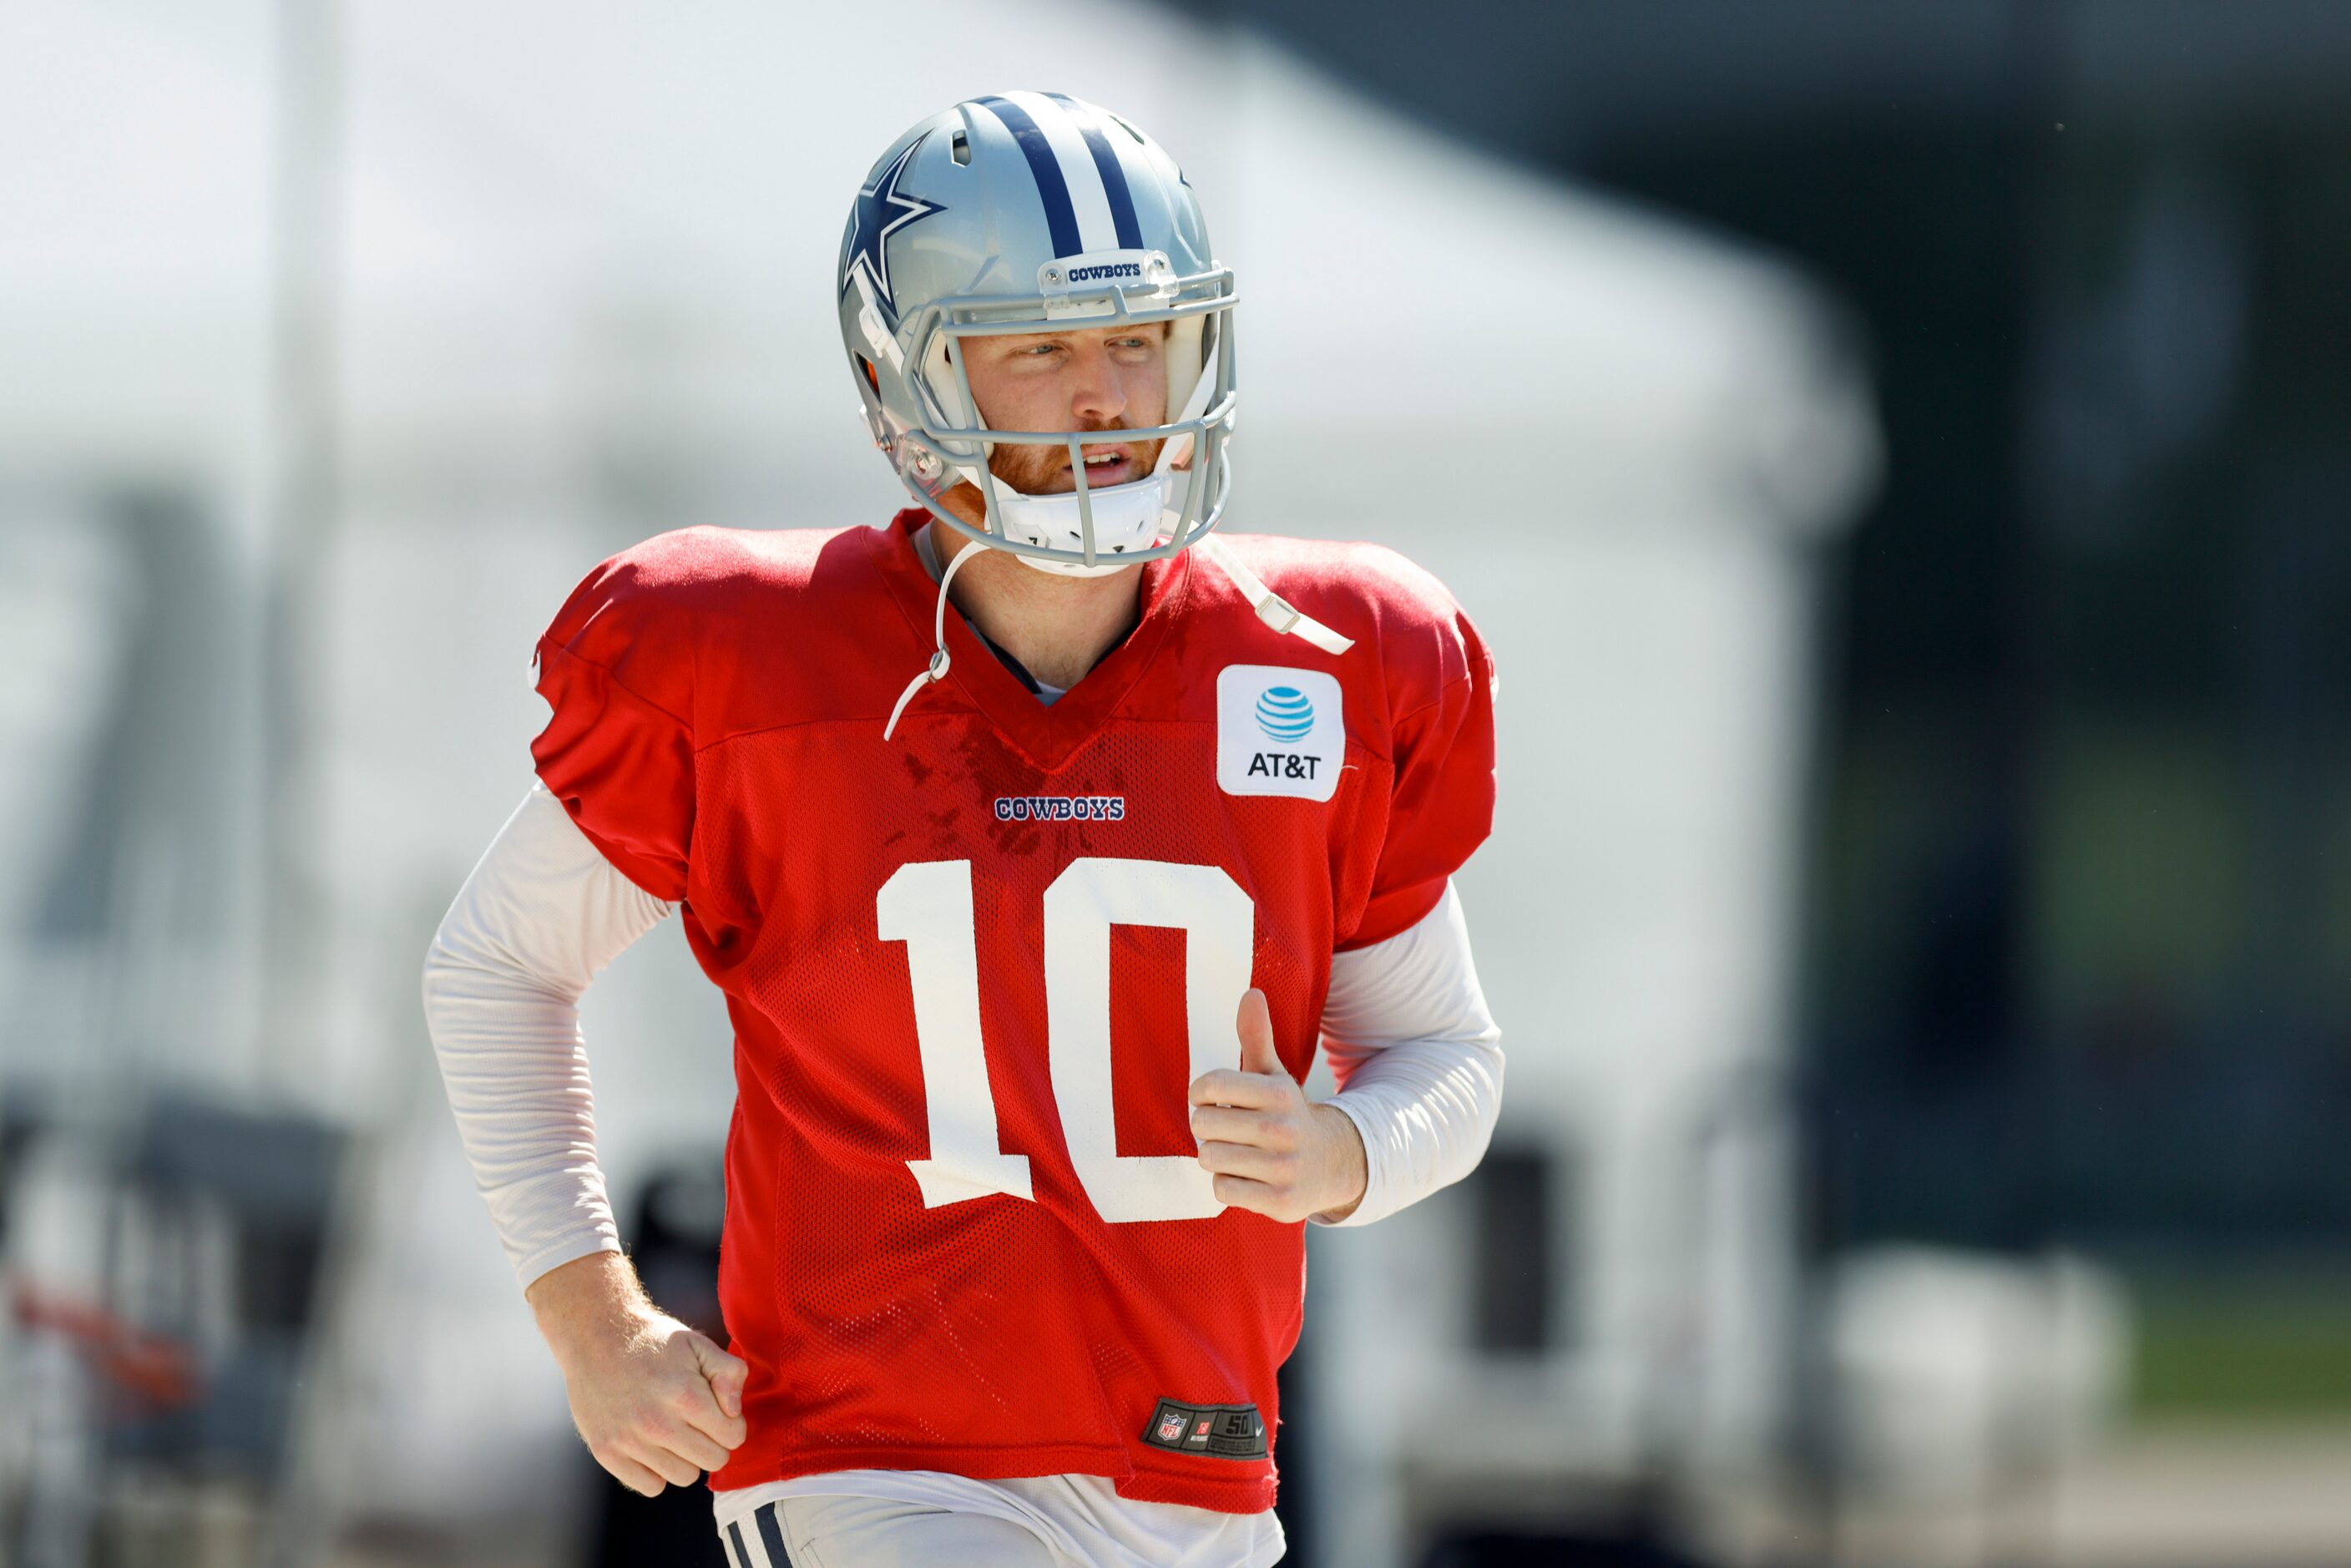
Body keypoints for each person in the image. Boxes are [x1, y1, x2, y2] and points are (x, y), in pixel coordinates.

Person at [422, 92, 1503, 1568]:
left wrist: (1345, 1152)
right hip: (877, 1463)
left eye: (1139, 338)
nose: (1109, 395)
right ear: (907, 376)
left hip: (1204, 1476)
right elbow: (496, 964)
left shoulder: (1335, 660)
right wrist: (592, 1316)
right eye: (1043, 348)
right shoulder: (748, 661)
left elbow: (1447, 1052)